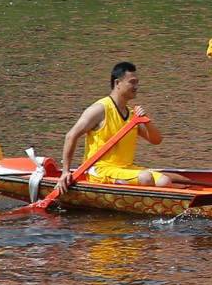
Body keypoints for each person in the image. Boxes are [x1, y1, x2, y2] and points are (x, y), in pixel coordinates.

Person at [53, 61, 170, 196]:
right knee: (146, 178)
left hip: (125, 169)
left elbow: (156, 140)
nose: (136, 87)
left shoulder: (132, 114)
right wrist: (65, 172)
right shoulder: (99, 109)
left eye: (137, 82)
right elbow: (71, 135)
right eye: (132, 82)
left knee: (164, 181)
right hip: (100, 170)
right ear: (117, 83)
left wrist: (146, 121)